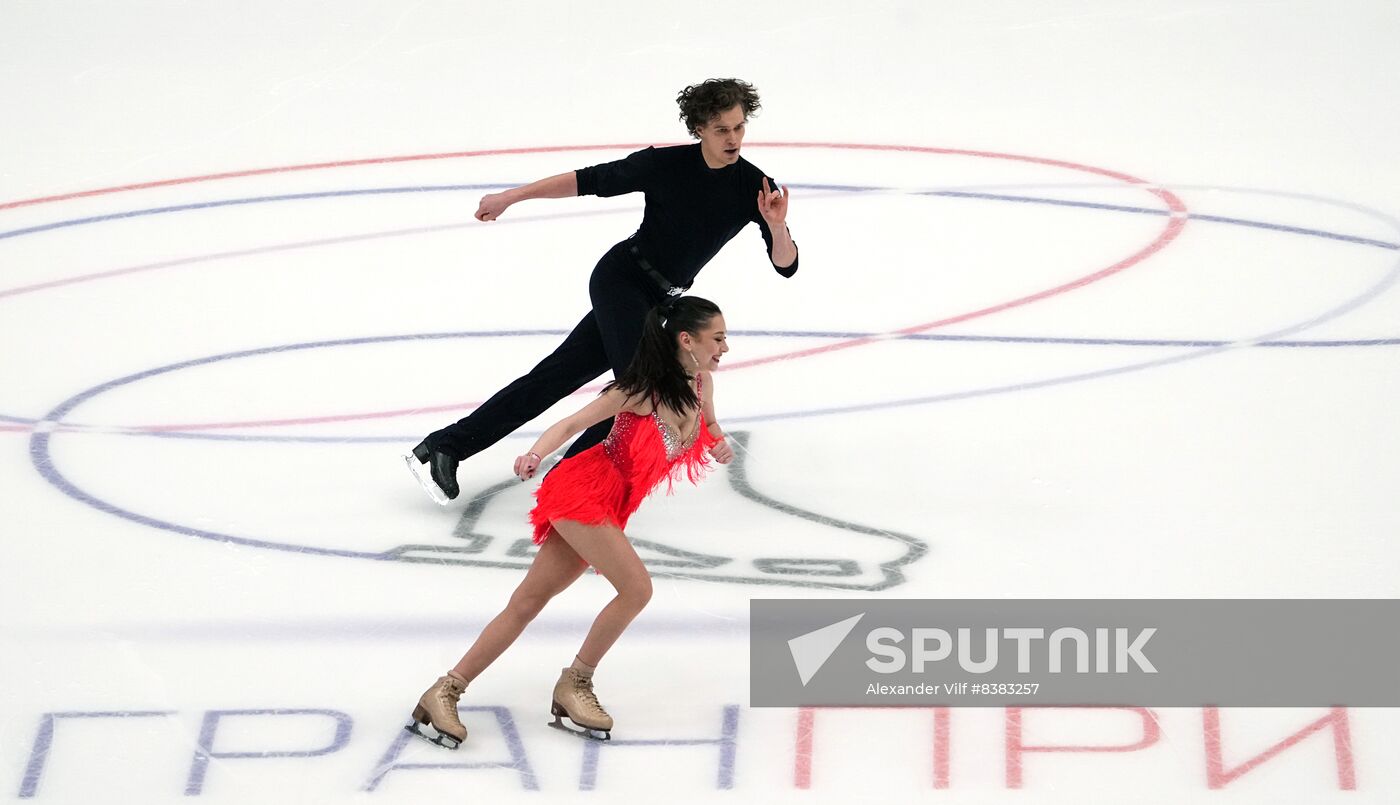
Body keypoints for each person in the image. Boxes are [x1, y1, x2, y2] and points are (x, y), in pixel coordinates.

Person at [405, 78, 795, 504]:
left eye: (739, 128)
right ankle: (573, 480)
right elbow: (587, 180)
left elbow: (786, 264)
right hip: (622, 278)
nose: (733, 138)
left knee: (555, 377)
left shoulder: (755, 187)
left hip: (662, 300)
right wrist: (513, 197)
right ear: (699, 128)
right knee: (638, 388)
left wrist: (776, 226)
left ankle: (444, 447)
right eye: (722, 129)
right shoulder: (663, 165)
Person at [405, 296, 735, 747]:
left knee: (527, 602)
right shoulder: (639, 391)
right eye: (717, 338)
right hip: (581, 491)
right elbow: (569, 424)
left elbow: (710, 424)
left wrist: (718, 444)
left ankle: (444, 691)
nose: (725, 348)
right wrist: (535, 454)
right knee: (637, 589)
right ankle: (575, 683)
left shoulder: (700, 385)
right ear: (686, 340)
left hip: (613, 505)